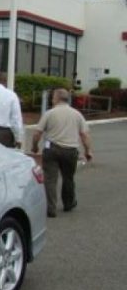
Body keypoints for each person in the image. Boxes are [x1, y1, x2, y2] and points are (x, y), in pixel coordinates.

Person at [31, 88, 93, 218]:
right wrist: (88, 151)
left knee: (50, 179)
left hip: (52, 149)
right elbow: (84, 135)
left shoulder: (49, 113)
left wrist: (34, 146)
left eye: (53, 97)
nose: (52, 99)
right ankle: (68, 203)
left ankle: (51, 207)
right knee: (68, 178)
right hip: (70, 151)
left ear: (57, 98)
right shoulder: (77, 114)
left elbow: (37, 133)